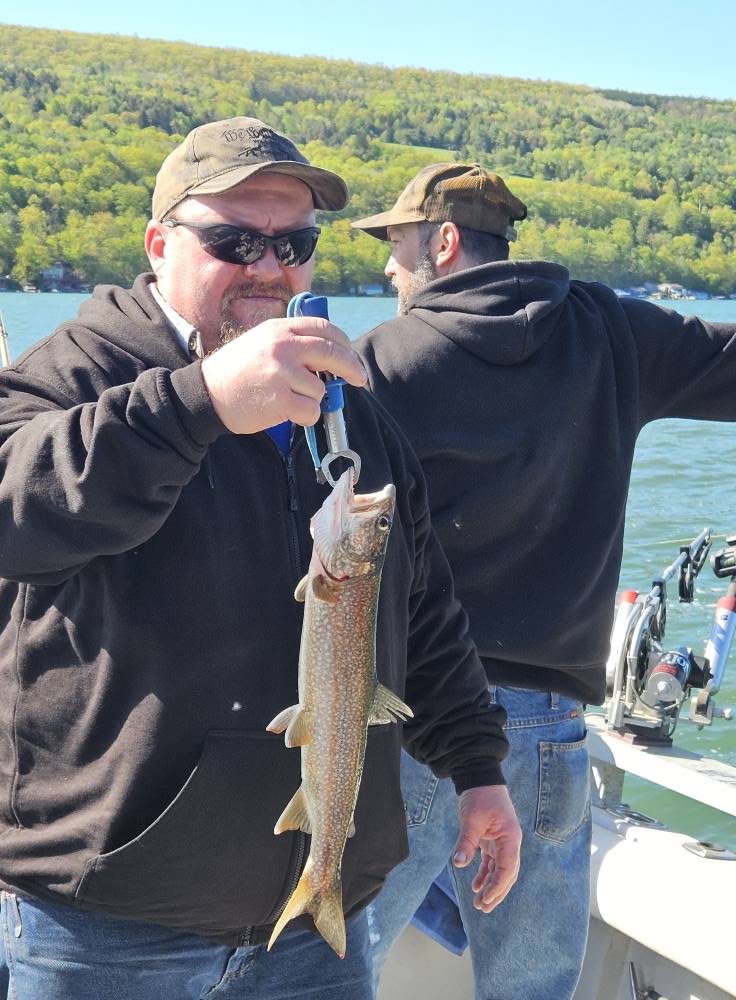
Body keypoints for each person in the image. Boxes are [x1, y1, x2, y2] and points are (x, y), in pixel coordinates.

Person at [0, 125, 522, 1000]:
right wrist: (200, 403)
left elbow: (417, 606)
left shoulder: (346, 406)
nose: (270, 267)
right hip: (109, 927)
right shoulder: (74, 372)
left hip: (320, 930)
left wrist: (477, 768)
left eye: (295, 244)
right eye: (234, 241)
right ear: (160, 246)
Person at [351, 161, 736, 1000]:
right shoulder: (609, 332)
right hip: (552, 734)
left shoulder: (380, 363)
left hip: (419, 724)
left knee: (338, 969)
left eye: (398, 247)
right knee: (532, 987)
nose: (388, 268)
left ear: (444, 243)